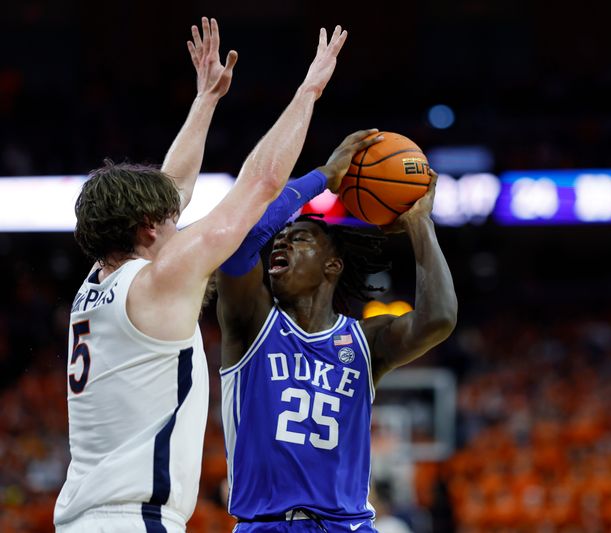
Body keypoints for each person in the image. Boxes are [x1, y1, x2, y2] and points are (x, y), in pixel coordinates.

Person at [54, 18, 349, 533]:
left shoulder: (98, 283)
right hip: (134, 520)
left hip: (83, 517)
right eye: (171, 220)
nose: (180, 219)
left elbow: (174, 188)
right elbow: (260, 183)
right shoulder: (158, 280)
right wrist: (310, 90)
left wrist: (205, 101)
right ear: (147, 229)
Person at [215, 135, 458, 532]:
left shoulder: (365, 341)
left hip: (347, 525)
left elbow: (439, 318)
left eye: (300, 238)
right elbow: (240, 245)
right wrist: (323, 177)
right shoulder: (253, 323)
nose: (282, 242)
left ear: (333, 266)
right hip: (267, 524)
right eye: (280, 239)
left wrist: (419, 224)